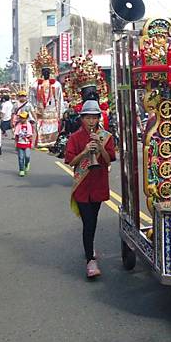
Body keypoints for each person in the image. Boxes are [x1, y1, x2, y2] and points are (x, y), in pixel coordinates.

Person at [64, 100, 116, 279]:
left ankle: (90, 246)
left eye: (94, 117)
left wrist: (99, 146)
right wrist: (85, 151)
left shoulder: (106, 136)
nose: (91, 121)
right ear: (82, 119)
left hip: (98, 184)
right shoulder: (75, 138)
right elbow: (71, 161)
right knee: (89, 223)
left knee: (92, 220)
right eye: (88, 117)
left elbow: (109, 160)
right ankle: (90, 261)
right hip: (82, 186)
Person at [30, 48, 64, 148]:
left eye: (47, 70)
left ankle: (53, 142)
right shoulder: (35, 85)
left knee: (52, 128)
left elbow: (60, 99)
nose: (46, 72)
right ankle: (40, 142)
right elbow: (31, 101)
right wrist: (32, 114)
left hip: (52, 110)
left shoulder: (56, 85)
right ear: (40, 71)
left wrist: (60, 114)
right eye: (44, 70)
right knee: (41, 127)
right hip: (40, 111)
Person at [14, 111, 33, 177]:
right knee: (21, 157)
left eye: (23, 118)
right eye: (21, 117)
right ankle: (21, 170)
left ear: (26, 118)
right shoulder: (18, 125)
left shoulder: (29, 125)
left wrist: (31, 142)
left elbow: (30, 135)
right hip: (20, 143)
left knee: (27, 156)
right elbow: (16, 135)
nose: (21, 119)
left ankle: (27, 164)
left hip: (27, 143)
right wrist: (15, 144)